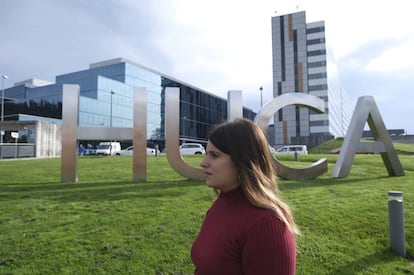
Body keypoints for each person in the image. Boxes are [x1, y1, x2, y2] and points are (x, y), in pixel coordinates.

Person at [191, 118, 299, 275]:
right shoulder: (222, 203)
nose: (203, 162)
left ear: (243, 161)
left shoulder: (267, 225)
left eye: (214, 155)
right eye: (207, 154)